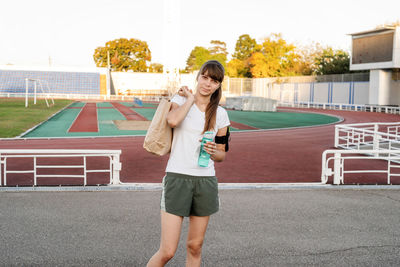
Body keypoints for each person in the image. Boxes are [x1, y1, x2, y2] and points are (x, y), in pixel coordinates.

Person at [146, 60, 230, 267]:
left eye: (214, 80)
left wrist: (213, 152)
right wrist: (191, 99)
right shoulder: (181, 100)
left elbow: (222, 154)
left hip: (205, 181)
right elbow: (172, 121)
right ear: (198, 77)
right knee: (167, 251)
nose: (208, 83)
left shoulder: (221, 115)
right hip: (177, 178)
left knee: (195, 246)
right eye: (205, 77)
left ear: (219, 85)